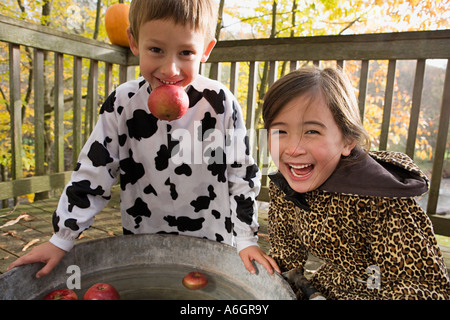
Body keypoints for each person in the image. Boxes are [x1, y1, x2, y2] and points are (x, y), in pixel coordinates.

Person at [8, 0, 279, 278]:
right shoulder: (123, 103)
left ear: (206, 51)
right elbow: (95, 169)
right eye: (156, 50)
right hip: (144, 238)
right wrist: (62, 237)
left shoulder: (219, 104)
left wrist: (246, 238)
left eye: (186, 52)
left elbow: (241, 173)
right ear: (134, 42)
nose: (171, 68)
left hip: (212, 241)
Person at [263, 66, 449, 299]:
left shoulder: (379, 197)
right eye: (280, 131)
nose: (293, 149)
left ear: (347, 141)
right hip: (332, 283)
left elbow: (423, 286)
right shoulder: (284, 184)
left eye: (311, 131)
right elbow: (286, 250)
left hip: (381, 291)